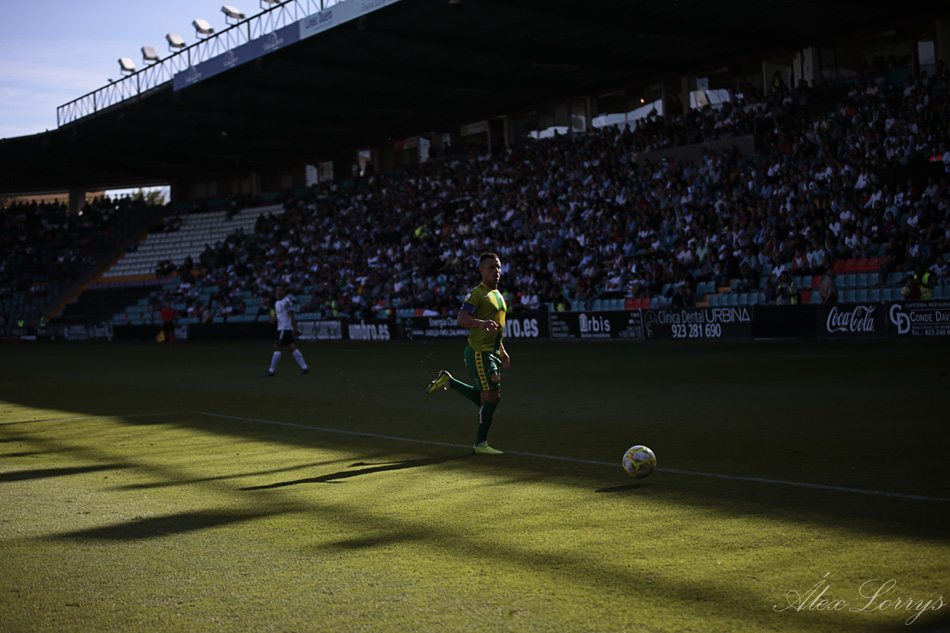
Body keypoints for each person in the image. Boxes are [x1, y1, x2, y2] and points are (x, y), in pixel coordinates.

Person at [426, 253, 510, 455]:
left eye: (498, 267)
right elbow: (462, 319)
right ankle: (480, 444)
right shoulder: (477, 293)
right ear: (481, 271)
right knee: (493, 397)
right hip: (480, 353)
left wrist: (502, 351)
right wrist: (480, 323)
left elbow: (497, 328)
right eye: (491, 267)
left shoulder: (498, 295)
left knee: (485, 399)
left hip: (491, 353)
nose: (496, 271)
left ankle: (450, 382)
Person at [261, 284, 310, 377]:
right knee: (291, 347)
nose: (278, 291)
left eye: (280, 290)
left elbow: (292, 315)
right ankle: (304, 367)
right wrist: (273, 319)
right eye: (277, 290)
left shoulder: (287, 302)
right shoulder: (277, 303)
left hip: (284, 328)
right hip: (281, 328)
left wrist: (295, 329)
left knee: (277, 347)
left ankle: (271, 370)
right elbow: (277, 315)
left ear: (284, 291)